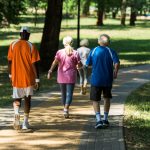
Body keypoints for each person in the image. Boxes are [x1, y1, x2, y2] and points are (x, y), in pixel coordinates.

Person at [7, 26, 40, 130]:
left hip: (16, 77)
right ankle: (25, 123)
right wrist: (37, 79)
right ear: (29, 35)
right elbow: (34, 64)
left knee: (17, 98)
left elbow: (9, 61)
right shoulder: (31, 46)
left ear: (20, 34)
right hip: (28, 78)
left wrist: (10, 75)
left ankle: (16, 113)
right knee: (27, 99)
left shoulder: (13, 45)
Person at [86, 34, 120, 129]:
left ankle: (98, 120)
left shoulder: (94, 51)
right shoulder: (111, 51)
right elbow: (116, 63)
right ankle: (105, 119)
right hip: (108, 80)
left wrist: (89, 75)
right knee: (106, 98)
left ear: (98, 41)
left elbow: (87, 64)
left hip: (96, 80)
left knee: (95, 100)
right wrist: (115, 72)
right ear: (108, 42)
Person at [47, 36, 82, 118]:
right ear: (72, 43)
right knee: (69, 93)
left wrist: (50, 71)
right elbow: (79, 65)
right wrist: (80, 66)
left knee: (63, 93)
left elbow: (55, 62)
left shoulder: (59, 52)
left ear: (63, 43)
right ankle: (66, 109)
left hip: (61, 75)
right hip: (71, 75)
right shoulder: (75, 53)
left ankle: (65, 109)